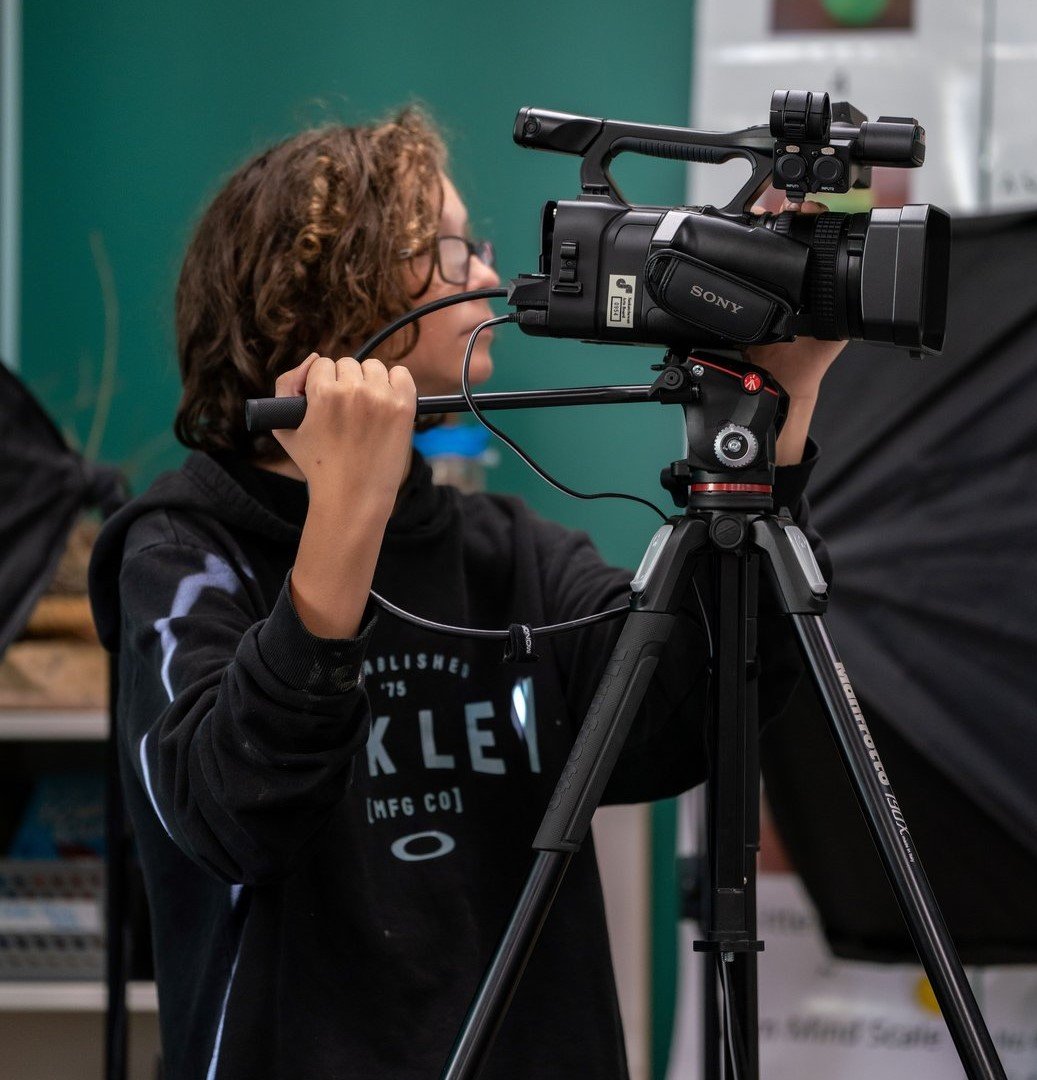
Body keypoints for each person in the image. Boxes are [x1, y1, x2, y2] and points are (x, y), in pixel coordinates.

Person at [88, 108, 842, 1080]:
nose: (487, 274)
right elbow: (234, 810)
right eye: (449, 250)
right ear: (330, 284)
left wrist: (777, 420)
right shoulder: (183, 551)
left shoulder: (507, 554)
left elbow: (692, 709)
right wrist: (344, 520)